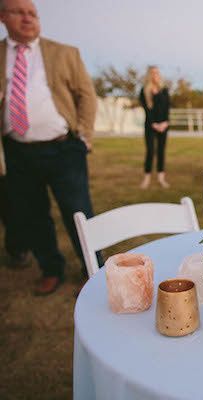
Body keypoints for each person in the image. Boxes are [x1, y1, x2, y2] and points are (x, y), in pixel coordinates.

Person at [0, 0, 98, 295]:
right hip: (17, 151)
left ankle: (92, 266)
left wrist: (84, 136)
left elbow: (86, 95)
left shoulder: (64, 53)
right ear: (3, 16)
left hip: (63, 149)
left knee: (78, 209)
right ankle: (51, 268)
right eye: (20, 12)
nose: (28, 18)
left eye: (33, 13)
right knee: (32, 212)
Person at [140, 66, 170, 189]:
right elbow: (147, 110)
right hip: (150, 125)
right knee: (151, 151)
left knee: (161, 152)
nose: (155, 75)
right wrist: (154, 124)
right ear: (149, 75)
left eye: (157, 73)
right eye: (152, 73)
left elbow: (167, 107)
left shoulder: (164, 90)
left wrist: (165, 122)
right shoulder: (144, 91)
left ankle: (161, 179)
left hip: (164, 125)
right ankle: (146, 179)